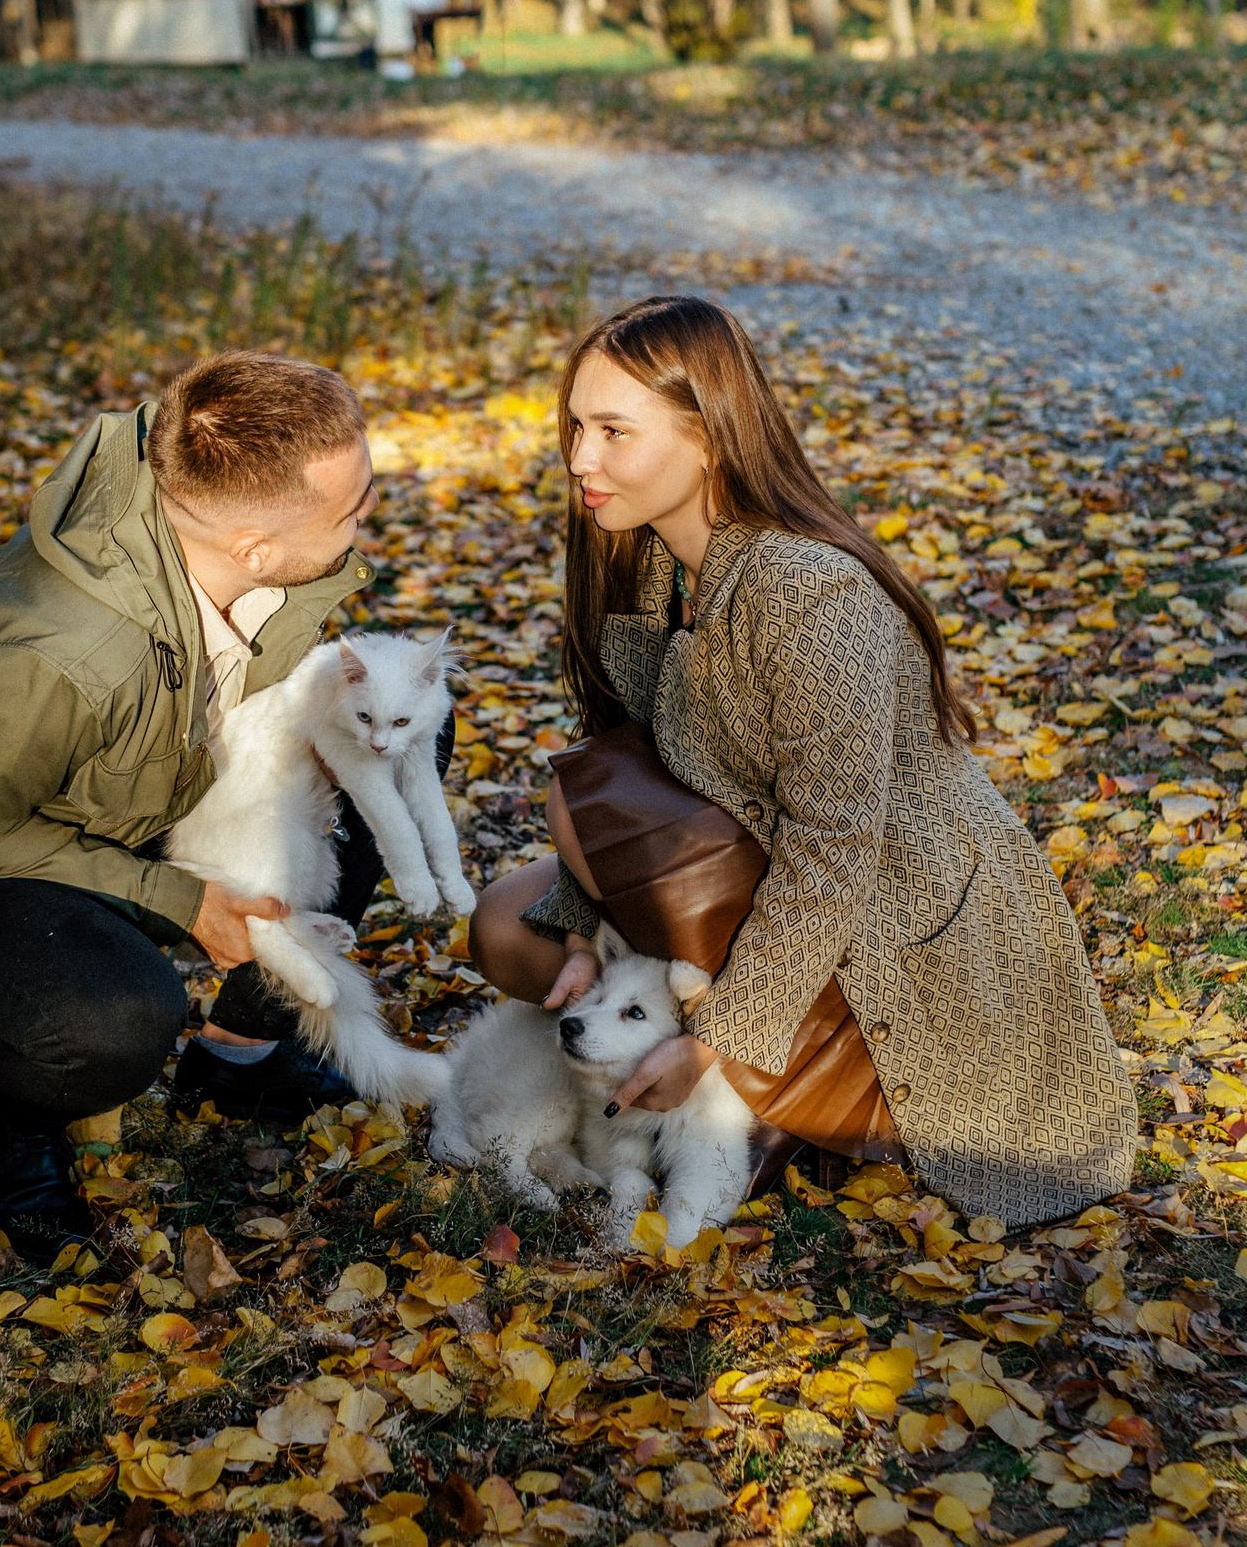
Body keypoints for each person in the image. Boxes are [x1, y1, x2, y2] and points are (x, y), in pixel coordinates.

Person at [467, 296, 1137, 1224]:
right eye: (577, 428)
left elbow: (835, 856)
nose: (581, 459)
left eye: (615, 432)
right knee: (511, 926)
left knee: (578, 814)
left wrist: (718, 1043)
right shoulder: (649, 566)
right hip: (746, 874)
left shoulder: (813, 599)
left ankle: (790, 1097)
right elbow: (639, 773)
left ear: (709, 436)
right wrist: (588, 929)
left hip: (895, 926)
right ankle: (755, 1087)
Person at [0, 352, 443, 1262]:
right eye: (353, 508)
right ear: (252, 547)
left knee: (395, 734)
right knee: (121, 1017)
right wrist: (180, 901)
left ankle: (240, 1054)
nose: (371, 515)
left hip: (148, 802)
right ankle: (8, 1123)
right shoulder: (56, 656)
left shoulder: (222, 541)